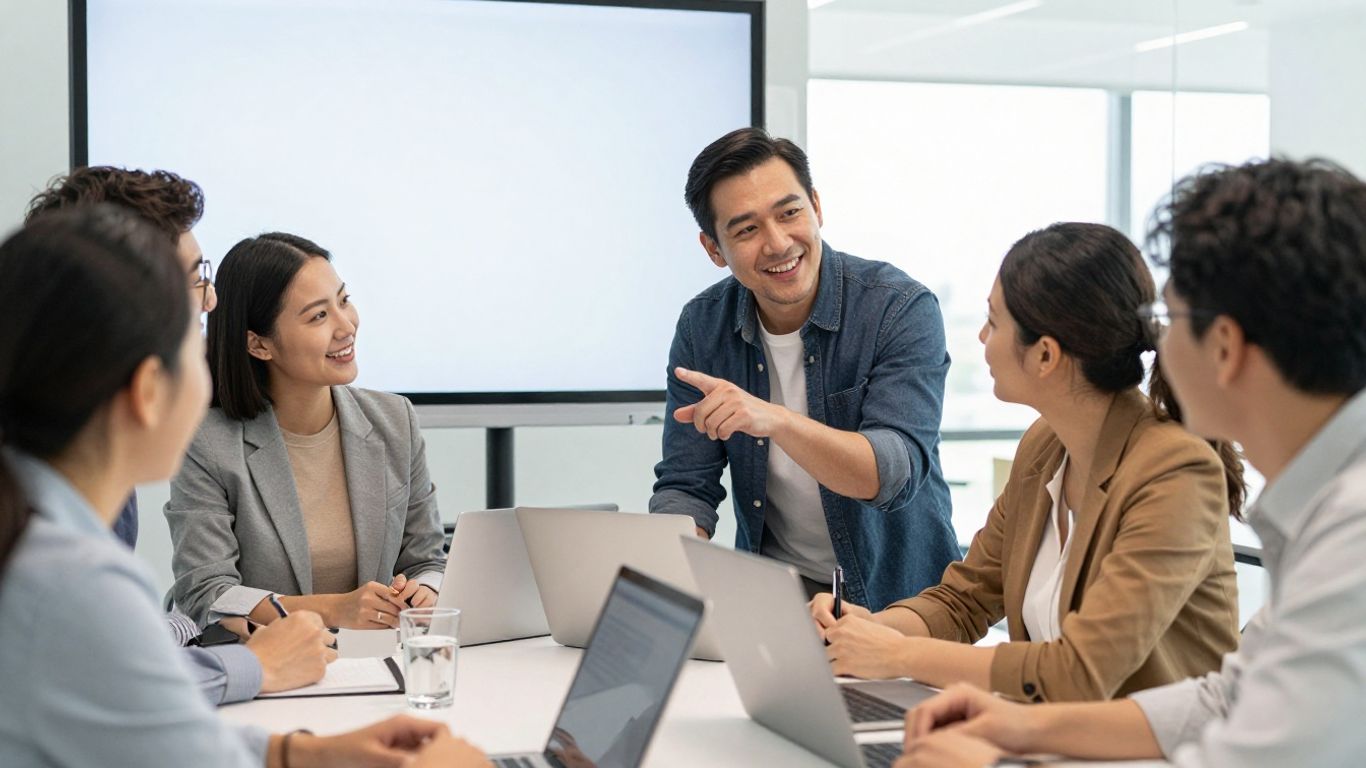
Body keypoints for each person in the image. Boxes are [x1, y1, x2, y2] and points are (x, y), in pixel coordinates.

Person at [898, 158, 1366, 767]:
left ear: (1224, 347)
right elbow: (1224, 700)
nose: (1155, 344)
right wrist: (1020, 729)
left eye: (1171, 319)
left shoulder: (1350, 533)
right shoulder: (1328, 512)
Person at [0, 206, 487, 766]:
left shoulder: (42, 547)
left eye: (343, 301)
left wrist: (303, 754)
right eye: (194, 347)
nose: (345, 325)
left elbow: (158, 733)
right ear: (149, 390)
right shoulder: (81, 583)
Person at [810, 222, 1243, 703]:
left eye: (993, 322)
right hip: (1047, 733)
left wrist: (899, 655)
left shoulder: (1176, 472)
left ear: (1045, 355)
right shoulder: (1045, 446)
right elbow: (963, 600)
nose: (981, 336)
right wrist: (871, 629)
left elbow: (1081, 670)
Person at [23, 165, 331, 704]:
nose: (210, 300)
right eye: (194, 278)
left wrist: (289, 743)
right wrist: (256, 665)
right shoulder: (45, 537)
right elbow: (103, 687)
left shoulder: (92, 479)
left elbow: (103, 662)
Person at [649, 127, 959, 610]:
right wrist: (662, 576)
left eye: (789, 213)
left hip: (900, 601)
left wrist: (774, 420)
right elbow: (687, 484)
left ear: (816, 206)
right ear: (714, 249)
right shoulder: (702, 326)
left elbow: (890, 473)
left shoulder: (897, 308)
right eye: (746, 230)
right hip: (778, 598)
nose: (778, 243)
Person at [167, 232, 446, 630]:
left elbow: (427, 560)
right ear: (259, 345)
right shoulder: (207, 444)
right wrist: (333, 610)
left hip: (379, 656)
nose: (346, 326)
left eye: (344, 301)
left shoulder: (394, 419)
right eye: (318, 316)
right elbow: (208, 593)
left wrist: (424, 590)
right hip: (269, 662)